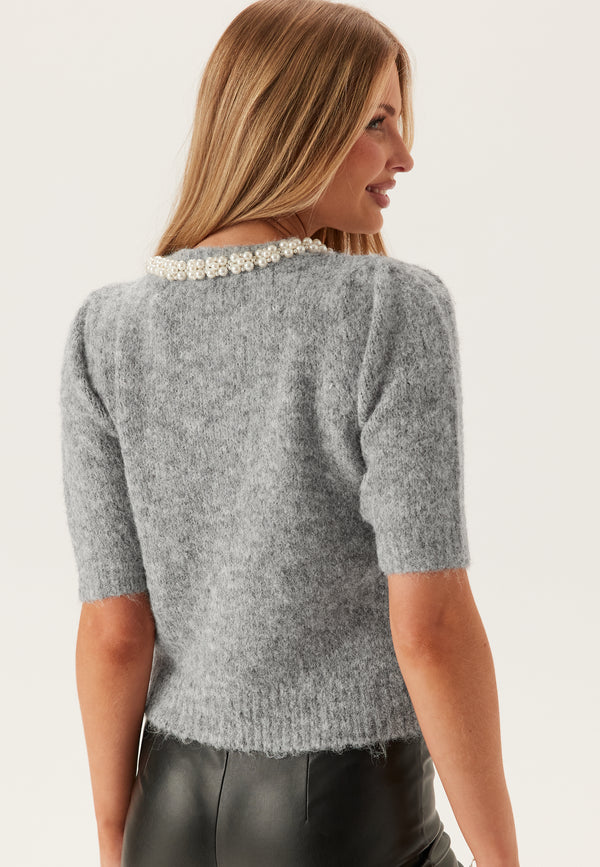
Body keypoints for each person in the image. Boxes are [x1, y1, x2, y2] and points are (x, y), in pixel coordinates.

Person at [59, 1, 520, 866]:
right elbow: (431, 627)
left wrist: (117, 835)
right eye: (377, 121)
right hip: (336, 810)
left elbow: (114, 629)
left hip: (169, 806)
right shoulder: (388, 310)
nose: (404, 155)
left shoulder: (105, 332)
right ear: (296, 123)